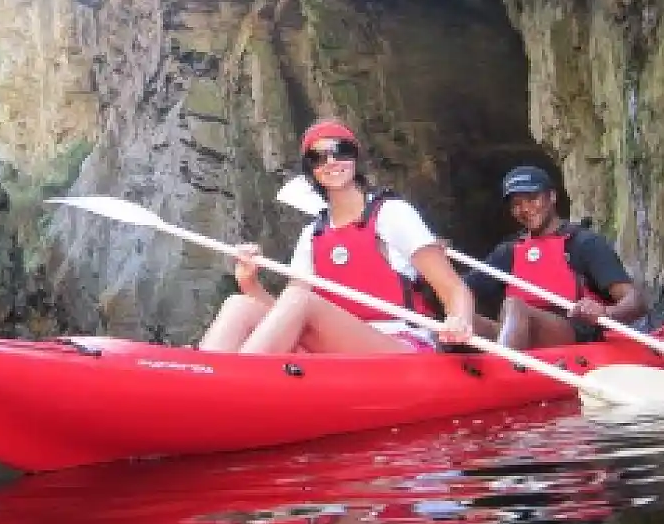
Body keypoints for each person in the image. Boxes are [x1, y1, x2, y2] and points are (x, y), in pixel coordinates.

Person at [198, 119, 475, 354]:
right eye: (318, 157)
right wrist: (249, 283)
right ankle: (203, 378)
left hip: (399, 342)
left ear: (355, 158)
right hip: (337, 346)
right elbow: (285, 316)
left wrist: (459, 320)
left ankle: (235, 382)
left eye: (340, 151)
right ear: (312, 171)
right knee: (239, 306)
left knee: (300, 298)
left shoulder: (392, 214)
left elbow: (453, 288)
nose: (331, 161)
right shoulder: (312, 234)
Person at [465, 165, 647, 350]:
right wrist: (437, 258)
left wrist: (607, 313)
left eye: (532, 199)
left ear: (552, 197)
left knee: (515, 308)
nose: (525, 209)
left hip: (576, 332)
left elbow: (636, 301)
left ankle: (501, 370)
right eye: (516, 204)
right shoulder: (509, 251)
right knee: (464, 319)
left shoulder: (584, 243)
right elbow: (461, 290)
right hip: (519, 331)